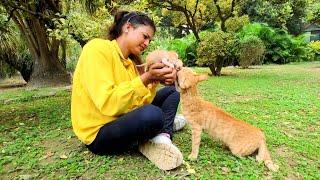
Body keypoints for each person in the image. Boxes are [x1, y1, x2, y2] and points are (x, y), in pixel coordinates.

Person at [71, 10, 186, 171]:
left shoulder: (130, 64)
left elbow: (139, 103)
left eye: (149, 41)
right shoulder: (96, 48)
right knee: (153, 115)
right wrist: (146, 78)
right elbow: (108, 103)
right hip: (99, 133)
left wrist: (153, 81)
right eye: (145, 36)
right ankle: (161, 129)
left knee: (171, 92)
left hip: (123, 118)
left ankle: (162, 137)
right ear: (128, 27)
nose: (147, 43)